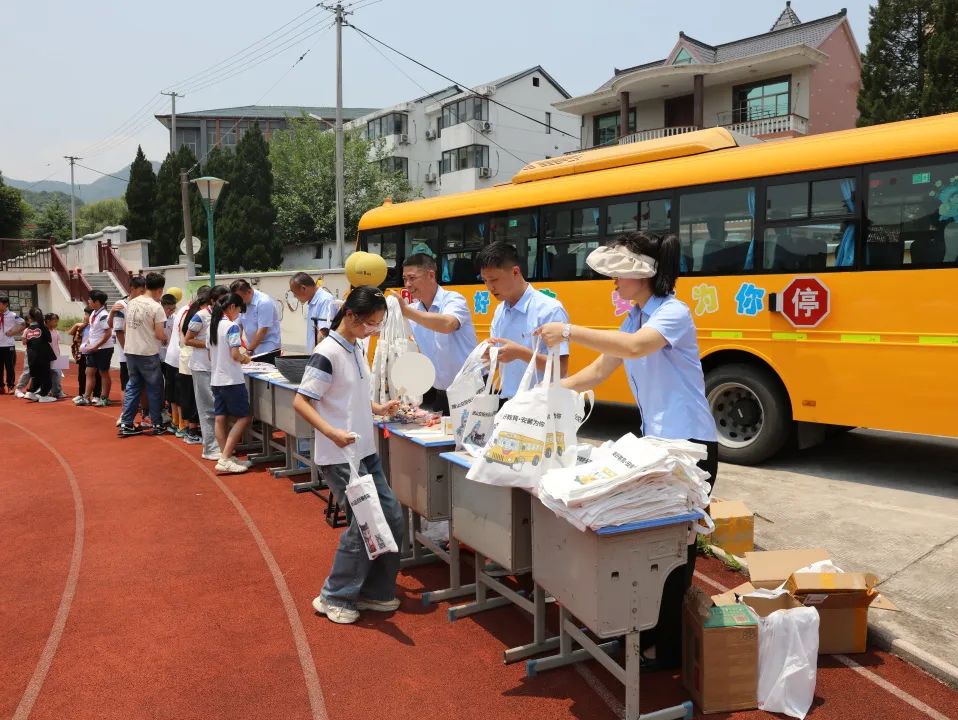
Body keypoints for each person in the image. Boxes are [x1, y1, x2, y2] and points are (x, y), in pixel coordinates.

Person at [535, 231, 718, 671]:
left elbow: (635, 350)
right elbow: (601, 368)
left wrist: (570, 331)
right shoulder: (634, 317)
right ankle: (644, 633)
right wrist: (548, 394)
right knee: (647, 544)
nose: (613, 284)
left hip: (689, 447)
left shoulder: (671, 313)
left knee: (677, 548)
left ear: (641, 277)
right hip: (657, 445)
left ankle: (666, 646)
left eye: (619, 276)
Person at [292, 286, 403, 625]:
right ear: (352, 317)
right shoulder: (327, 352)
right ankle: (334, 595)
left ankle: (375, 591)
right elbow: (302, 401)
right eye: (371, 323)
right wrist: (332, 432)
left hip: (363, 450)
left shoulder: (354, 346)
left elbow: (349, 394)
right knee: (363, 524)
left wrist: (377, 407)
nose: (375, 329)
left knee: (391, 517)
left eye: (379, 324)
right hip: (340, 455)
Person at [477, 242, 570, 399]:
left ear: (515, 272)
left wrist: (520, 353)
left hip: (543, 404)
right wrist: (488, 355)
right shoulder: (500, 311)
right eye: (485, 280)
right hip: (509, 401)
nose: (490, 287)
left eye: (494, 279)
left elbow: (560, 368)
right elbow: (498, 363)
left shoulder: (549, 310)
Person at [395, 253, 478, 415]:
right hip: (441, 393)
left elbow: (447, 324)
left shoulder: (453, 299)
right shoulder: (413, 310)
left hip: (469, 391)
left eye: (412, 278)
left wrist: (407, 312)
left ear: (431, 275)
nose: (407, 284)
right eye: (405, 279)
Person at [117, 272, 170, 438]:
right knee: (155, 388)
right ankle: (157, 423)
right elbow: (160, 333)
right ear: (160, 290)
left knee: (133, 386)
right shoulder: (156, 307)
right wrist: (166, 339)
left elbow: (125, 328)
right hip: (148, 352)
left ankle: (127, 423)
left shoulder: (131, 302)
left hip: (131, 351)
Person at [207, 293, 254, 473]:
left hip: (217, 379)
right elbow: (235, 354)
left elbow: (211, 354)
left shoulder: (214, 326)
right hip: (231, 380)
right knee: (244, 417)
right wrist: (245, 359)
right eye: (239, 310)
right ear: (232, 307)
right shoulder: (231, 327)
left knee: (220, 418)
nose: (239, 314)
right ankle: (226, 457)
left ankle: (224, 454)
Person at [185, 285, 229, 461]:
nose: (226, 303)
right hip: (202, 367)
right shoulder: (201, 316)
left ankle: (221, 444)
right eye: (222, 300)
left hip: (219, 367)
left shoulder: (224, 316)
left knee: (219, 408)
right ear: (212, 300)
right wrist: (211, 344)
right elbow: (187, 339)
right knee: (208, 408)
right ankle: (210, 447)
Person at [175, 289, 205, 445]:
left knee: (188, 395)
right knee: (193, 396)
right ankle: (192, 430)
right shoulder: (198, 315)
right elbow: (189, 339)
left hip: (185, 358)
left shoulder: (187, 311)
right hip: (191, 358)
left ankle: (189, 428)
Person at [77, 290, 115, 407]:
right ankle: (86, 397)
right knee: (89, 371)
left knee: (103, 372)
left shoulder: (104, 315)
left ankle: (104, 398)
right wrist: (88, 343)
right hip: (93, 348)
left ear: (97, 301)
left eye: (90, 299)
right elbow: (93, 331)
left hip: (103, 349)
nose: (88, 301)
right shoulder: (93, 313)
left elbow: (108, 333)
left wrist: (96, 346)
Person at [230, 279, 281, 363]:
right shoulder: (243, 303)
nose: (238, 300)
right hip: (252, 349)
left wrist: (249, 349)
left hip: (267, 350)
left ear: (249, 291)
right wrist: (235, 345)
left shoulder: (264, 302)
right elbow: (238, 325)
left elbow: (262, 330)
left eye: (239, 297)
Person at [289, 272, 339, 351]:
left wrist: (317, 357)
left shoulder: (325, 300)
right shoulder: (313, 301)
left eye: (295, 293)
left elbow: (323, 333)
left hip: (322, 355)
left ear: (303, 288)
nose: (295, 296)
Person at [161, 293, 185, 434]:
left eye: (173, 309)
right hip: (161, 357)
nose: (170, 311)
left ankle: (177, 420)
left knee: (174, 389)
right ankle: (171, 416)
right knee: (167, 389)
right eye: (168, 309)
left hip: (172, 357)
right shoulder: (157, 318)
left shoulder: (175, 319)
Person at [21, 307, 56, 403]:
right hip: (43, 355)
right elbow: (49, 339)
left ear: (30, 317)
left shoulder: (27, 330)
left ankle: (31, 392)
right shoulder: (43, 328)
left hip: (32, 356)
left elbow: (25, 342)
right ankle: (44, 395)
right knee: (46, 376)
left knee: (36, 376)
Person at [68, 308, 101, 401]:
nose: (84, 316)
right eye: (85, 314)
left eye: (86, 314)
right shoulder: (82, 327)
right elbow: (70, 333)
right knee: (81, 375)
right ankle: (81, 394)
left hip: (93, 353)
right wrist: (78, 325)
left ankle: (96, 395)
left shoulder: (95, 327)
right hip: (82, 353)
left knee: (96, 375)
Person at [0, 295, 25, 394]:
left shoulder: (12, 315)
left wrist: (13, 332)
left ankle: (10, 386)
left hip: (8, 345)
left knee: (10, 367)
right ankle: (1, 386)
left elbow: (23, 323)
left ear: (5, 304)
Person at [45, 313, 66, 399]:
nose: (56, 323)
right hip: (47, 357)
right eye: (54, 321)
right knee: (47, 375)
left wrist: (59, 356)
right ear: (48, 321)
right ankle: (48, 391)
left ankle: (57, 391)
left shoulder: (55, 331)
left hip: (57, 356)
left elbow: (56, 344)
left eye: (57, 321)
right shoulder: (43, 331)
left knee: (57, 375)